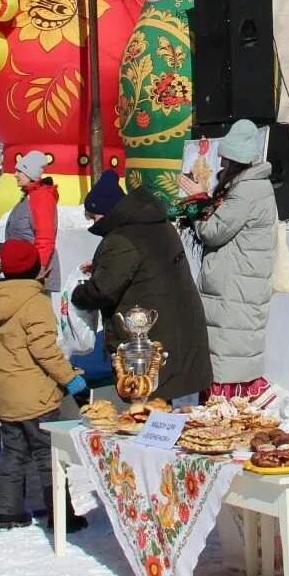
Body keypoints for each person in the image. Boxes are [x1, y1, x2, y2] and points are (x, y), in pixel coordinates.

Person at [71, 170, 212, 403]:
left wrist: (78, 294)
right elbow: (142, 267)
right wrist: (101, 266)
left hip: (148, 342)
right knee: (166, 405)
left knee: (147, 405)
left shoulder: (121, 239)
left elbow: (104, 289)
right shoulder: (157, 224)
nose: (93, 222)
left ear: (105, 212)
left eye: (92, 216)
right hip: (178, 328)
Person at [0, 238, 88, 532]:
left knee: (12, 453)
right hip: (38, 396)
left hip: (6, 394)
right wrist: (71, 379)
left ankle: (8, 511)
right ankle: (61, 516)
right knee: (47, 455)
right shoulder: (34, 302)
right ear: (35, 268)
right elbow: (45, 351)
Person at [178, 119, 277, 400]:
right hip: (239, 285)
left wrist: (197, 200)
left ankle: (227, 413)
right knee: (234, 353)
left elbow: (213, 230)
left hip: (234, 288)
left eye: (226, 159)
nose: (221, 164)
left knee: (226, 358)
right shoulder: (253, 186)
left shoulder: (246, 191)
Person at [0, 149, 59, 286]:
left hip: (33, 275)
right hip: (22, 274)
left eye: (19, 171)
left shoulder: (41, 198)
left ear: (29, 173)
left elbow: (45, 238)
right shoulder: (29, 196)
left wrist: (38, 271)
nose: (15, 175)